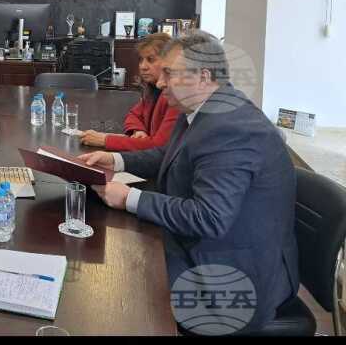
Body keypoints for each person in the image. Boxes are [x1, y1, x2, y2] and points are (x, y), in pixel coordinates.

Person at [80, 31, 299, 333]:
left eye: (169, 74)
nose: (160, 83)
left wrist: (129, 198)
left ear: (203, 76)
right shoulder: (202, 108)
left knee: (122, 296)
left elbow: (210, 218)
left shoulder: (232, 129)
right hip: (209, 247)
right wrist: (116, 160)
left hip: (233, 280)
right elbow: (171, 155)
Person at [81, 33, 180, 151]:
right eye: (141, 60)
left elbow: (159, 147)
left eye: (151, 60)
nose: (143, 66)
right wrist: (138, 130)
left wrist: (105, 140)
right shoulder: (152, 90)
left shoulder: (175, 97)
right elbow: (134, 114)